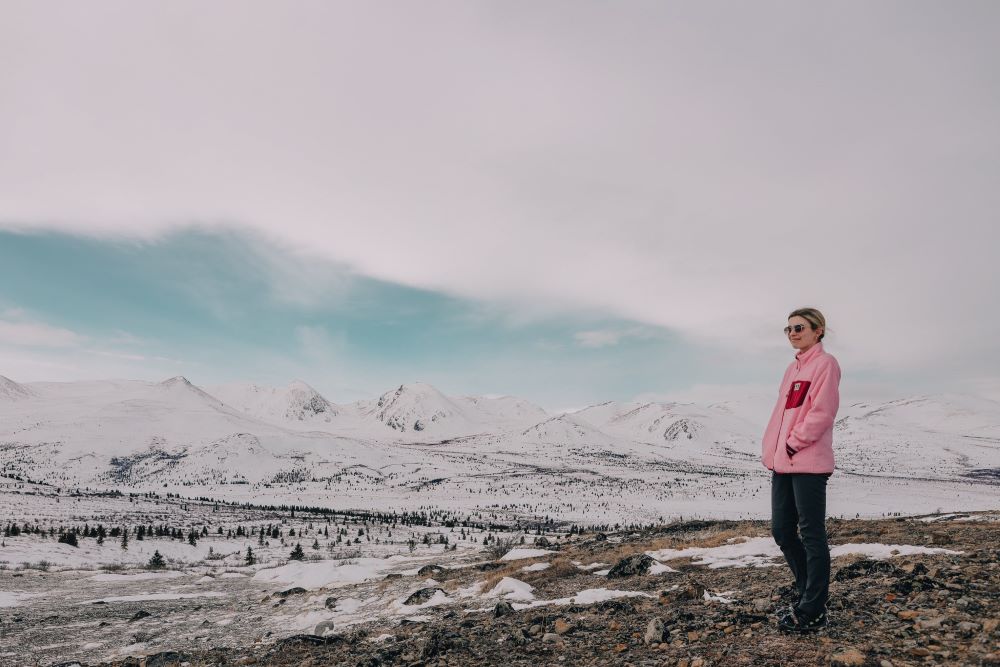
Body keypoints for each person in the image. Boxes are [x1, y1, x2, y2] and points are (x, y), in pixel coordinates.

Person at [761, 307, 841, 633]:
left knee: (811, 534)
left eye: (799, 327)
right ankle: (810, 590)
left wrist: (793, 443)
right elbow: (783, 414)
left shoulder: (825, 365)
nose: (792, 333)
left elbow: (823, 413)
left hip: (807, 463)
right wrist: (775, 450)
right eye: (788, 329)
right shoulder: (792, 369)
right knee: (782, 530)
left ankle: (813, 610)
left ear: (818, 330)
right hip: (783, 463)